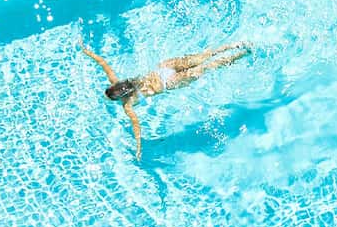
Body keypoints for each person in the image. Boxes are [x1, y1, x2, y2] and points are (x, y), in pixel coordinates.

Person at [81, 42, 251, 160]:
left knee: (207, 67)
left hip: (167, 82)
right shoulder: (116, 80)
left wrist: (138, 146)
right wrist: (86, 50)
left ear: (117, 96)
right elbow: (102, 62)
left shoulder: (127, 103)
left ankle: (242, 54)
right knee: (202, 57)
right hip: (164, 68)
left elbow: (136, 124)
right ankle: (234, 45)